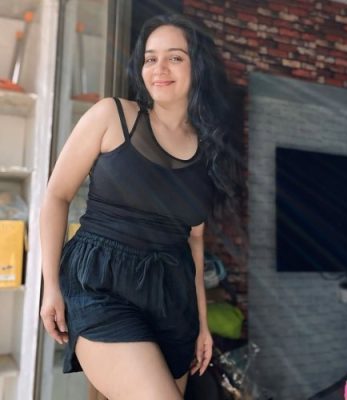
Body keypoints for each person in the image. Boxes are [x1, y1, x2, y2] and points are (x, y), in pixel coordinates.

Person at [40, 13, 235, 400]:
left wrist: (202, 322)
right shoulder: (112, 115)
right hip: (101, 282)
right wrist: (51, 286)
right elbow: (56, 196)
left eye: (174, 57)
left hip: (172, 298)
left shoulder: (211, 152)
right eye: (150, 58)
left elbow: (194, 240)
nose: (159, 68)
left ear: (199, 66)